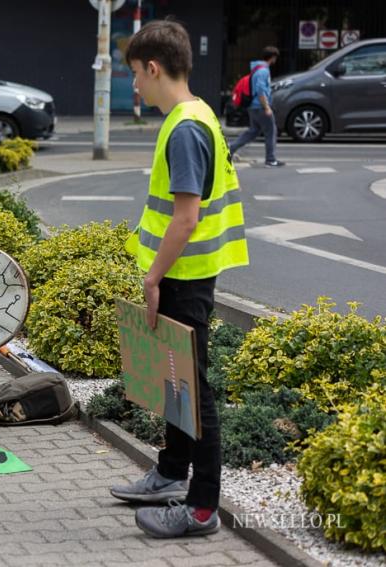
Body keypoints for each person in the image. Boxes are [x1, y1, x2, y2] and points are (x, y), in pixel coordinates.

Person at [110, 20, 249, 538]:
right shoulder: (197, 115)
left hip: (183, 279)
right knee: (176, 380)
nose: (135, 87)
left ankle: (201, 508)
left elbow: (186, 217)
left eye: (135, 77)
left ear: (153, 67)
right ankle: (171, 474)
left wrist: (152, 277)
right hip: (186, 276)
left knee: (194, 389)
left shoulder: (186, 127)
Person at [228, 46, 285, 167]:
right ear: (273, 57)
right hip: (260, 106)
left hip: (254, 107)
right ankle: (270, 159)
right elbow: (260, 90)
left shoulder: (256, 69)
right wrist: (267, 107)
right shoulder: (263, 71)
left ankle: (230, 149)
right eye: (275, 58)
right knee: (271, 131)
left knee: (253, 131)